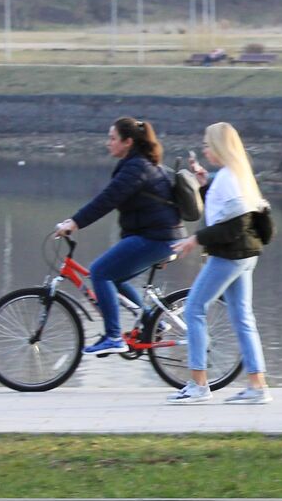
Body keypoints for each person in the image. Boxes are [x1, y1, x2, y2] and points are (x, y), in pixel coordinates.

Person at [55, 117, 185, 355]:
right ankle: (153, 321)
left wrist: (74, 223)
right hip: (162, 237)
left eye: (113, 138)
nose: (108, 143)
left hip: (157, 237)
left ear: (128, 142)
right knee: (115, 278)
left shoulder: (136, 168)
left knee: (100, 272)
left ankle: (114, 336)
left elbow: (106, 200)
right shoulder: (139, 164)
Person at [167, 121, 272, 405]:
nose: (203, 149)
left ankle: (198, 384)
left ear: (218, 146)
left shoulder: (228, 178)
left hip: (230, 255)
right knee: (242, 317)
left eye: (206, 143)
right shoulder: (234, 175)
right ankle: (257, 386)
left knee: (194, 309)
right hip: (245, 255)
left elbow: (235, 225)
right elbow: (223, 211)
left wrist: (194, 240)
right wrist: (203, 184)